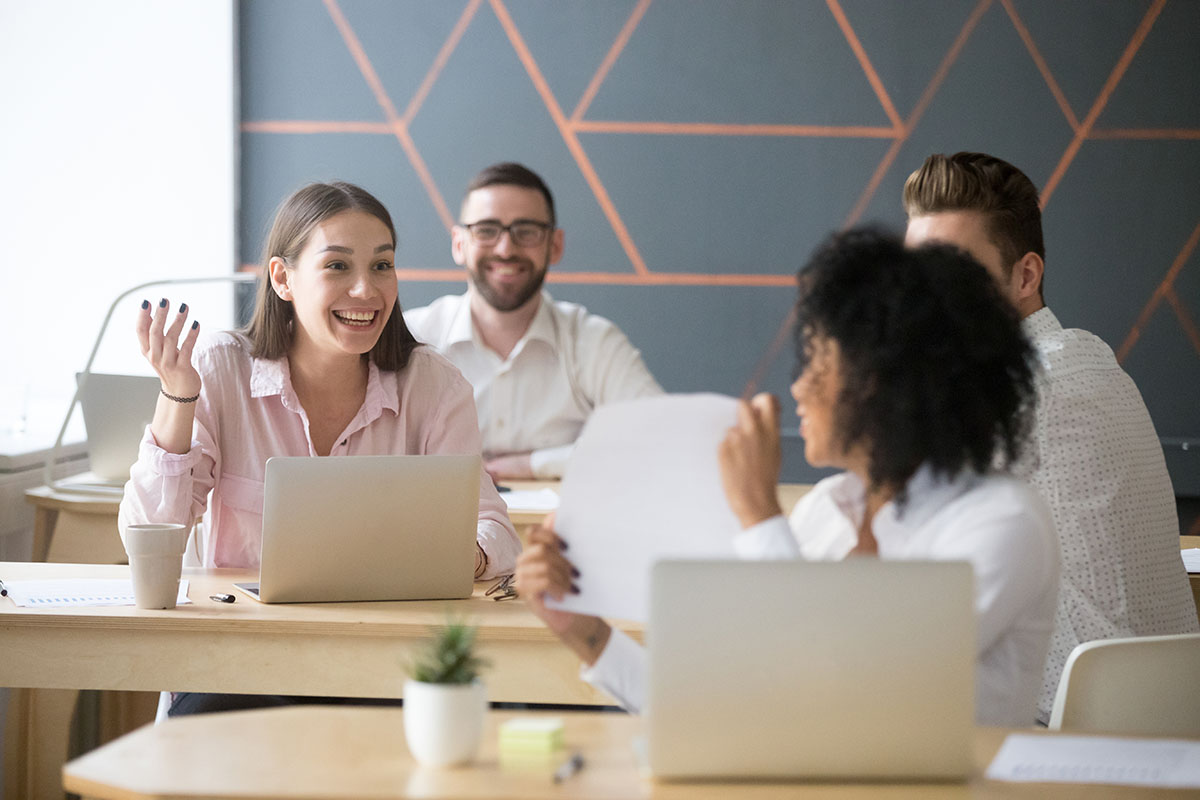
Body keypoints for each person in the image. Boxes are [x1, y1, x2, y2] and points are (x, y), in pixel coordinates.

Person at [516, 229, 1060, 727]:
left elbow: (840, 693)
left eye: (820, 362)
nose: (799, 388)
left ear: (889, 381)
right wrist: (584, 632)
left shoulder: (1002, 525)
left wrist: (760, 516)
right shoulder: (828, 510)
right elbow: (733, 709)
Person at [119, 181, 521, 714]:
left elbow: (495, 529)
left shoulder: (434, 385)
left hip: (382, 660)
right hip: (238, 663)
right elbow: (149, 535)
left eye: (382, 266)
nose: (366, 290)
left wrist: (454, 555)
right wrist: (178, 394)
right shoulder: (221, 367)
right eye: (337, 266)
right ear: (282, 278)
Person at [902, 152, 1199, 723]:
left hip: (1065, 728)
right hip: (1167, 715)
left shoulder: (1014, 391)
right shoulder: (1087, 358)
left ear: (1026, 275)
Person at [404, 162, 663, 480]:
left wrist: (535, 464)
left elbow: (659, 440)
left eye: (526, 232)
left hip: (558, 530)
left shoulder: (592, 342)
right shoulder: (412, 338)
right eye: (486, 230)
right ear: (460, 244)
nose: (505, 248)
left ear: (554, 245)